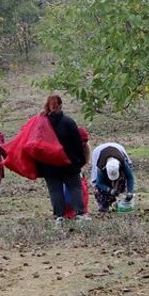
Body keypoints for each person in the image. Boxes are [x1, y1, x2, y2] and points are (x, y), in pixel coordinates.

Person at [37, 95, 89, 223]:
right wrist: (80, 161)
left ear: (48, 106)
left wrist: (40, 166)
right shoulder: (69, 122)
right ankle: (80, 215)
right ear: (61, 105)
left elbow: (37, 145)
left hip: (49, 166)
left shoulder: (41, 124)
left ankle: (59, 217)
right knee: (74, 188)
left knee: (55, 190)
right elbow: (78, 145)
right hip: (69, 165)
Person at [90, 141, 135, 212]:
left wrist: (130, 192)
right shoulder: (101, 165)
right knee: (100, 188)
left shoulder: (122, 161)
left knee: (121, 181)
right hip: (98, 152)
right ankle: (104, 203)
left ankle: (120, 201)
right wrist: (109, 190)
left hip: (118, 149)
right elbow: (98, 183)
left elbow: (130, 177)